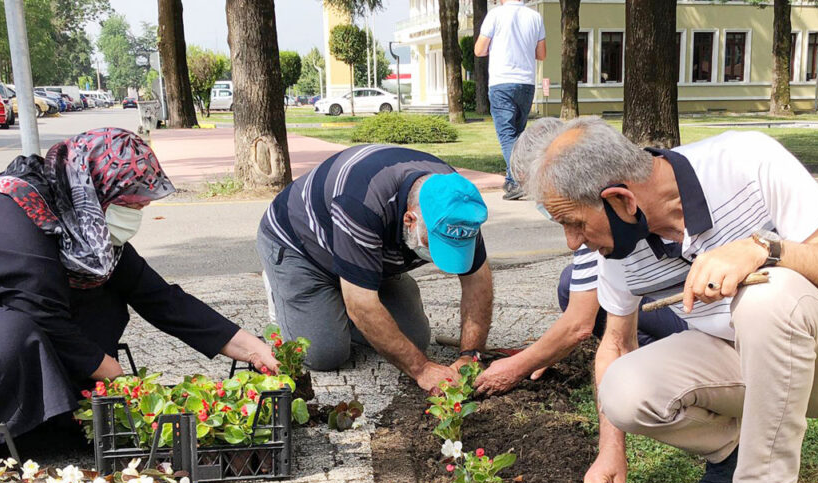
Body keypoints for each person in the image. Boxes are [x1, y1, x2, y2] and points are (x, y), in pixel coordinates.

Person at [530, 117, 818, 483]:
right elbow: (615, 345)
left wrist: (766, 250)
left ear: (621, 200)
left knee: (766, 292)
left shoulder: (746, 161)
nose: (571, 242)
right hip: (751, 364)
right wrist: (610, 451)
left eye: (574, 223)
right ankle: (731, 452)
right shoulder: (621, 251)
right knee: (623, 389)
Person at [0, 128, 280, 458]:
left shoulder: (81, 224)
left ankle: (52, 421)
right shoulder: (4, 213)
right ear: (94, 189)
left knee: (104, 296)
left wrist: (252, 348)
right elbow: (40, 314)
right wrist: (115, 376)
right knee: (8, 335)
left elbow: (159, 297)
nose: (136, 215)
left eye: (141, 206)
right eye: (130, 205)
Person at [475, 118, 687, 395]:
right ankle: (653, 360)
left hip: (698, 317)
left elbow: (579, 323)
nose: (543, 201)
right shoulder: (593, 208)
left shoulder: (604, 216)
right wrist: (540, 354)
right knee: (572, 283)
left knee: (581, 290)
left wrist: (518, 366)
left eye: (542, 188)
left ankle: (668, 365)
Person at [257, 145, 493, 392]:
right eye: (434, 247)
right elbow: (362, 305)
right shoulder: (361, 202)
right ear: (409, 220)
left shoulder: (456, 206)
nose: (438, 260)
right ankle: (290, 292)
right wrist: (422, 369)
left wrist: (471, 355)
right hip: (301, 249)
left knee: (415, 340)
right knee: (325, 353)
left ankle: (354, 282)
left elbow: (478, 281)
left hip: (371, 252)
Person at [474, 0, 546, 201]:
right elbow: (541, 54)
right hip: (526, 83)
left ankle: (517, 180)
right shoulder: (535, 17)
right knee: (518, 135)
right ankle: (510, 179)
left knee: (507, 135)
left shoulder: (495, 15)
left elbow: (479, 50)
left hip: (502, 82)